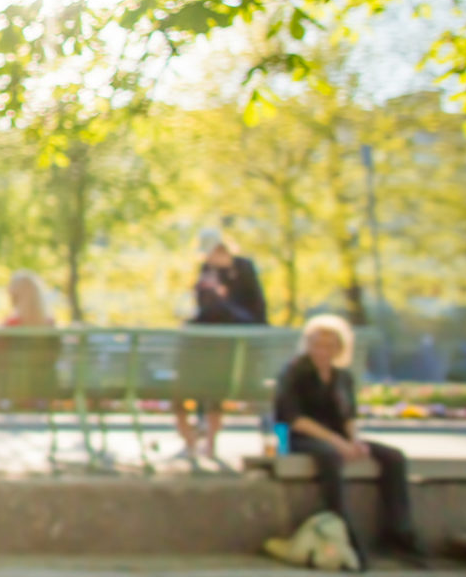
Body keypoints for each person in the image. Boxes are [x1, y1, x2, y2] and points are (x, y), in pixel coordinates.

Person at [276, 314, 423, 565]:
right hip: (306, 437)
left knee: (393, 457)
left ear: (340, 348)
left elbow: (347, 415)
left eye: (329, 345)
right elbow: (293, 417)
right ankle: (343, 527)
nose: (322, 351)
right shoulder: (293, 372)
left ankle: (399, 530)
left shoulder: (342, 377)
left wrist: (354, 441)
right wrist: (338, 442)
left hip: (338, 437)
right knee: (330, 457)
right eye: (317, 344)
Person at [176, 227, 267, 460]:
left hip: (240, 350)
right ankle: (200, 439)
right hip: (210, 352)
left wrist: (221, 296)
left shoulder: (242, 269)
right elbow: (204, 312)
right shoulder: (207, 271)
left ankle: (207, 439)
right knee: (199, 377)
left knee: (209, 378)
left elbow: (255, 312)